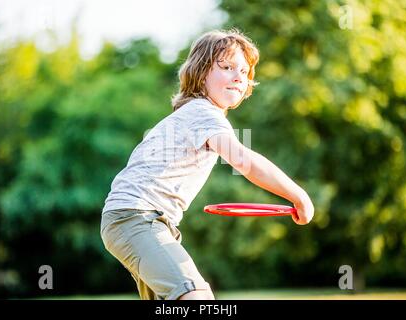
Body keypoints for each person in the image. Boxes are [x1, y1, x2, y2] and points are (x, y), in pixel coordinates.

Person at [100, 28, 314, 300]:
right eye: (226, 67)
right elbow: (242, 160)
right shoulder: (203, 112)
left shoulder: (193, 115)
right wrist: (299, 195)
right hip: (136, 217)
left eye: (245, 72)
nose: (238, 77)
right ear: (200, 74)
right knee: (197, 298)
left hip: (138, 220)